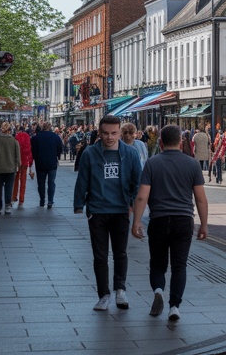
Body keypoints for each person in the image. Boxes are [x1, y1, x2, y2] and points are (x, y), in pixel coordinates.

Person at [131, 123, 208, 321]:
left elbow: (142, 197)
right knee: (179, 266)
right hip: (184, 220)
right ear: (181, 142)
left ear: (161, 142)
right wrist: (204, 225)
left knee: (158, 264)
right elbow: (200, 198)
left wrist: (136, 222)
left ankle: (158, 290)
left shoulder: (152, 163)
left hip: (159, 220)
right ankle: (175, 307)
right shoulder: (192, 164)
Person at [73, 115, 143, 312]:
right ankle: (104, 294)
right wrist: (79, 204)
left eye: (113, 133)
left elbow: (137, 182)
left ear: (120, 132)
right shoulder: (90, 153)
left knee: (120, 253)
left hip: (121, 210)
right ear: (99, 132)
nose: (109, 137)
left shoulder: (130, 153)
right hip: (97, 210)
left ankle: (120, 290)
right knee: (100, 255)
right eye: (105, 133)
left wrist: (133, 206)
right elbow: (82, 179)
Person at [0, 122, 21, 215]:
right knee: (9, 188)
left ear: (1, 130)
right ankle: (7, 206)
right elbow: (18, 156)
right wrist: (19, 166)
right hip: (10, 168)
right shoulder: (14, 141)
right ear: (10, 130)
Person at [30, 119, 65, 208]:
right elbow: (60, 148)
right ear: (50, 128)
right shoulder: (55, 137)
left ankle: (42, 200)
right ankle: (50, 201)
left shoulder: (36, 137)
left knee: (41, 183)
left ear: (42, 128)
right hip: (52, 163)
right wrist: (57, 156)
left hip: (40, 163)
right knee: (51, 182)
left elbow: (33, 150)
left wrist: (35, 158)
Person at [12, 124, 34, 207]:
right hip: (24, 161)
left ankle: (14, 196)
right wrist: (30, 162)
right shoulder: (27, 137)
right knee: (23, 180)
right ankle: (21, 199)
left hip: (17, 162)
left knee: (15, 180)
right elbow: (29, 151)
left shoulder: (16, 137)